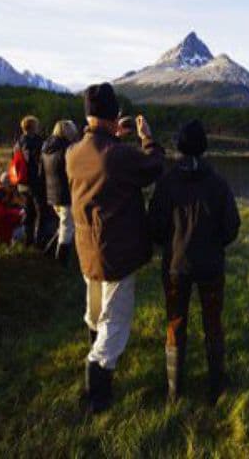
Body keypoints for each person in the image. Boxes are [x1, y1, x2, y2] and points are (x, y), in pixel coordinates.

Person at [66, 83, 164, 414]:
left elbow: (102, 168)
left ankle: (94, 355)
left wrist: (114, 138)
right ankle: (98, 387)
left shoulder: (72, 153)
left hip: (86, 249)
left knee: (94, 311)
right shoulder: (117, 155)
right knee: (116, 321)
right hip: (117, 253)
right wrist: (147, 137)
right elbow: (152, 166)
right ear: (111, 117)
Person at [148, 119, 240, 405]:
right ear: (204, 147)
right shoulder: (218, 182)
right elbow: (232, 226)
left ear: (179, 146)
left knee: (176, 323)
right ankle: (216, 387)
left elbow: (155, 226)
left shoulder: (166, 183)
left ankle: (174, 391)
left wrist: (171, 245)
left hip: (176, 266)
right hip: (211, 265)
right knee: (213, 322)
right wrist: (214, 245)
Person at [42, 119, 80, 266]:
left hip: (52, 193)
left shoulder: (46, 148)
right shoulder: (67, 150)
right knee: (67, 228)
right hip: (65, 194)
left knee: (64, 225)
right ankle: (61, 261)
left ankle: (49, 252)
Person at [13, 115, 46, 247]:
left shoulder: (18, 142)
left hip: (22, 183)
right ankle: (38, 242)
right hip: (34, 183)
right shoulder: (33, 142)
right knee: (40, 212)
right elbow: (34, 162)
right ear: (34, 127)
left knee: (28, 211)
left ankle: (28, 240)